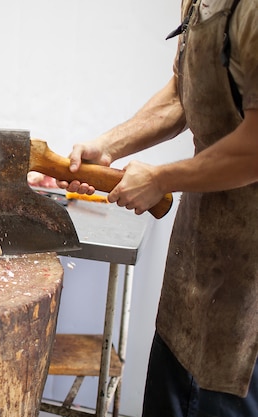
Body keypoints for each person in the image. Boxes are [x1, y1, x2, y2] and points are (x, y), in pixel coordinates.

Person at [57, 0, 258, 416]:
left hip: (249, 282)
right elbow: (182, 93)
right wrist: (109, 146)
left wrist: (161, 178)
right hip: (199, 254)